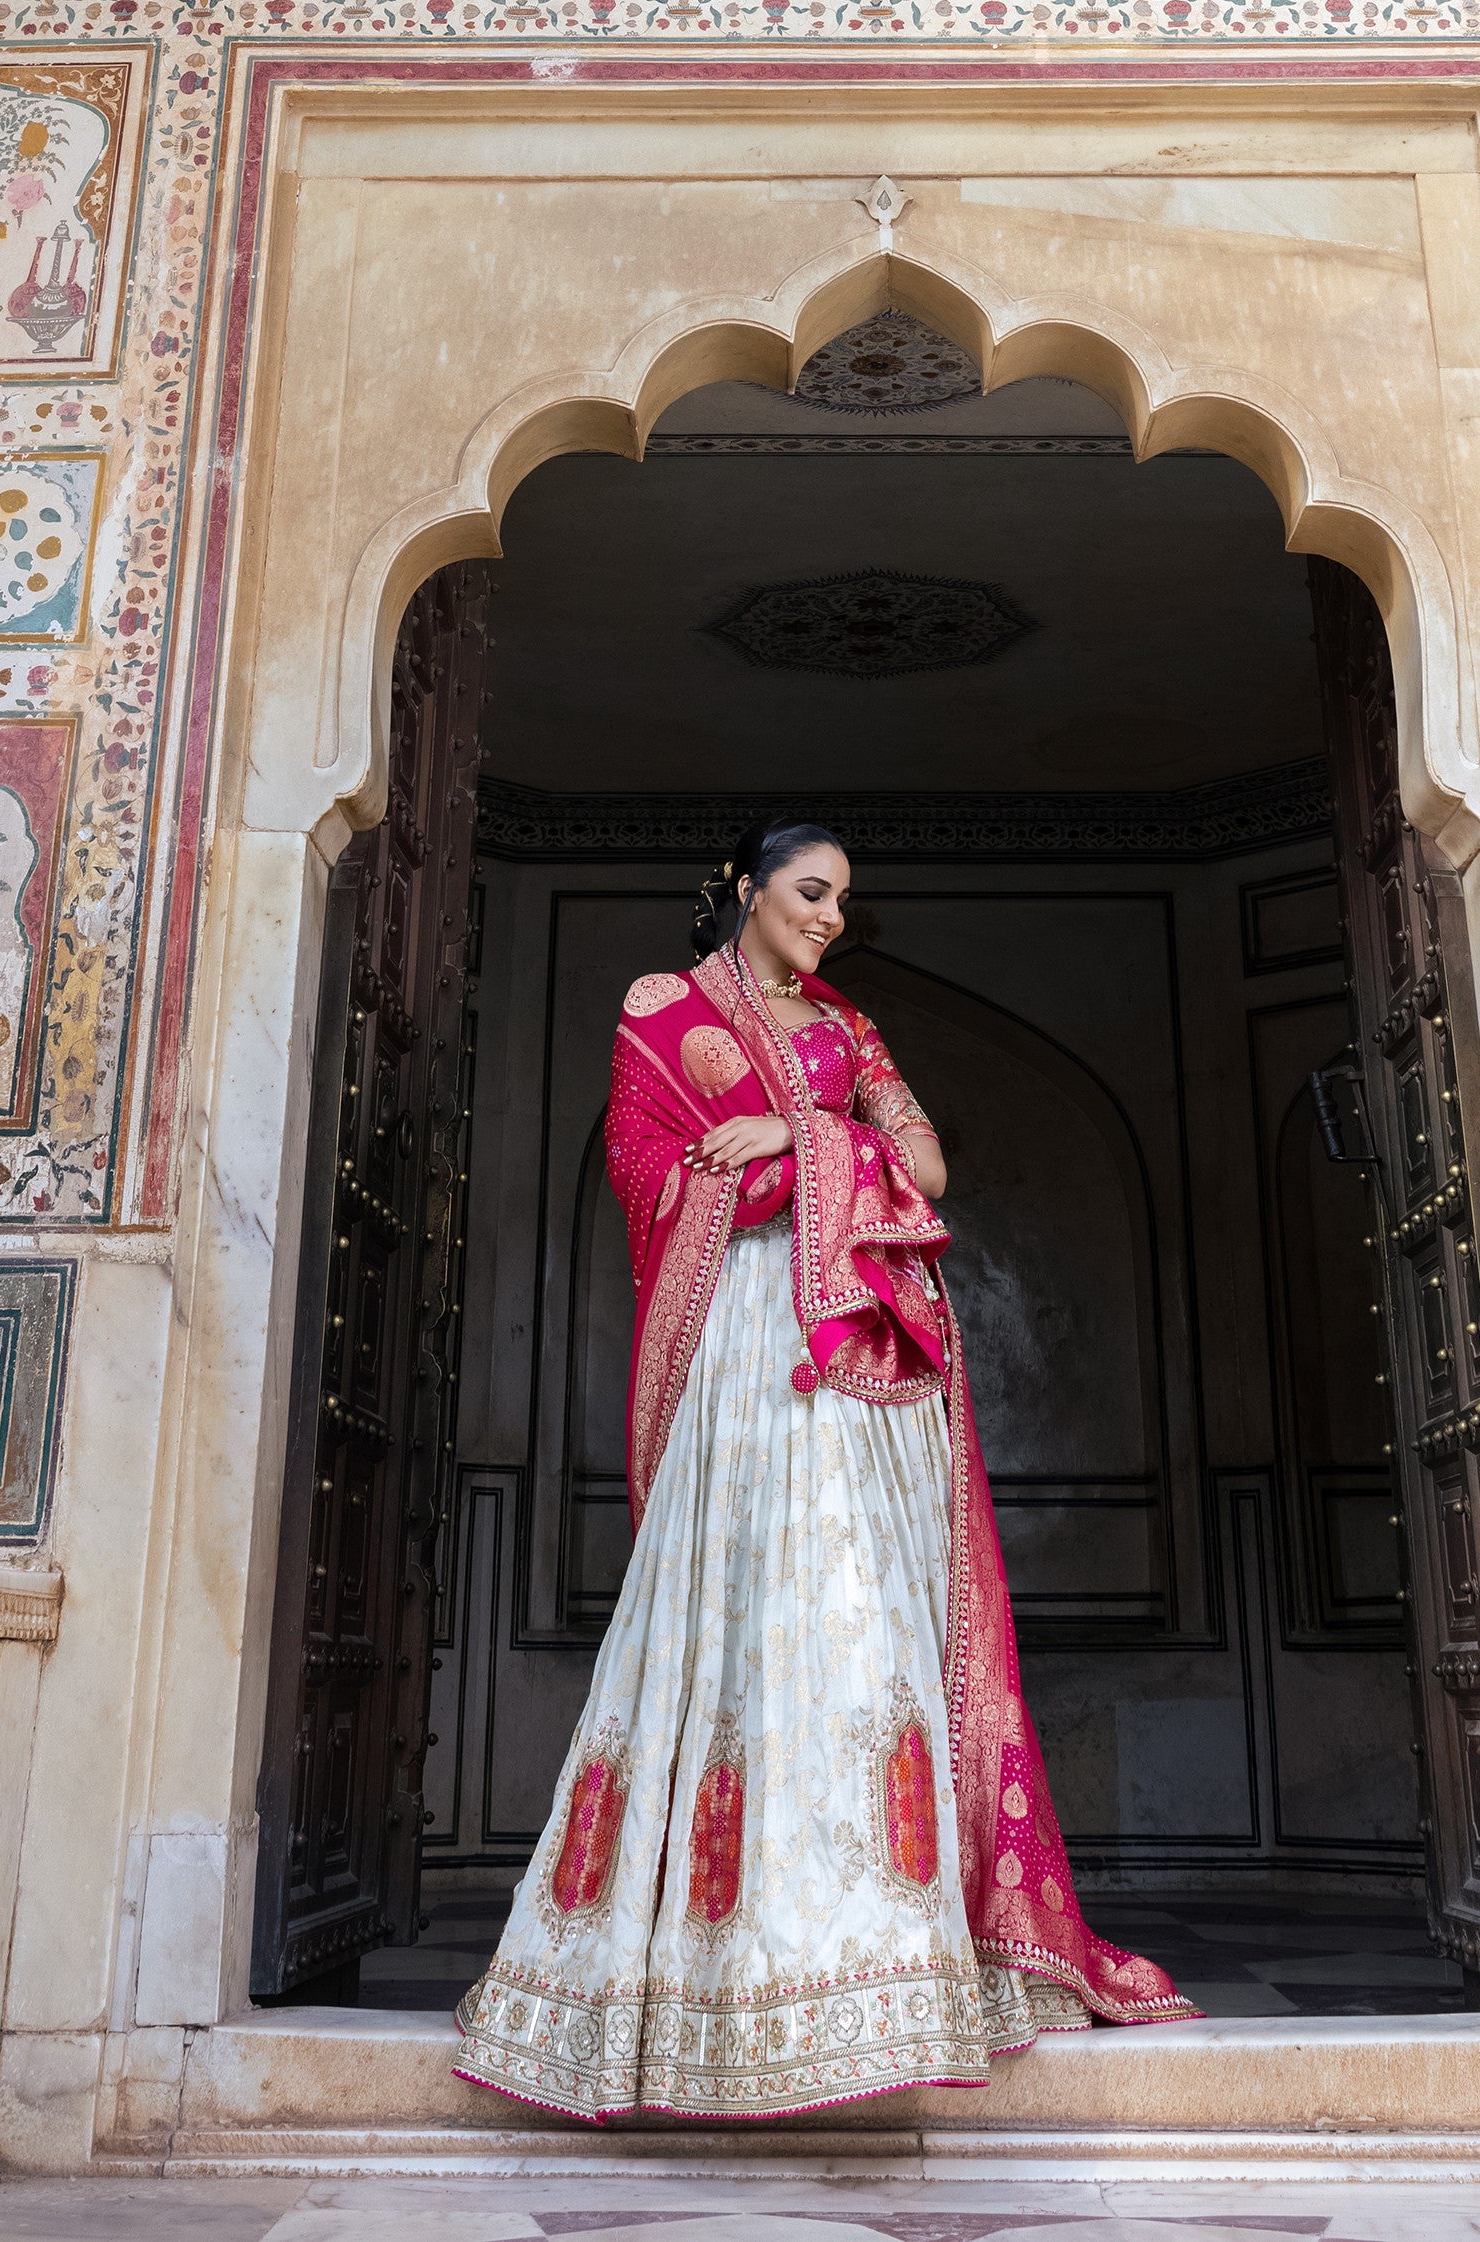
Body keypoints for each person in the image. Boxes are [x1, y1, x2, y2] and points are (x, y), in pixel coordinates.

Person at [454, 818, 1195, 2122]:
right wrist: (749, 1165)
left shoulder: (845, 1027)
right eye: (809, 891)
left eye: (844, 898)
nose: (830, 915)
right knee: (728, 1626)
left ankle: (881, 1968)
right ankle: (676, 1980)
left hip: (847, 1346)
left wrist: (804, 1146)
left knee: (854, 1621)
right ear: (743, 890)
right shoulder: (663, 1006)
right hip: (743, 1336)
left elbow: (925, 1165)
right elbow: (642, 1165)